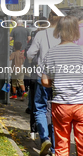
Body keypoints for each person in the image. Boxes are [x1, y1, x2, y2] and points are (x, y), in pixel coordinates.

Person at [41, 16, 83, 156]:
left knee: (61, 144)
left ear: (58, 30)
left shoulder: (51, 53)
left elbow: (45, 82)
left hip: (60, 105)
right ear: (76, 31)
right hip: (82, 106)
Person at [27, 11, 61, 156]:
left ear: (48, 19)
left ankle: (44, 138)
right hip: (60, 78)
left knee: (40, 108)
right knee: (55, 111)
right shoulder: (63, 35)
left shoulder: (41, 34)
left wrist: (32, 62)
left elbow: (30, 54)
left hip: (43, 77)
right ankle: (55, 148)